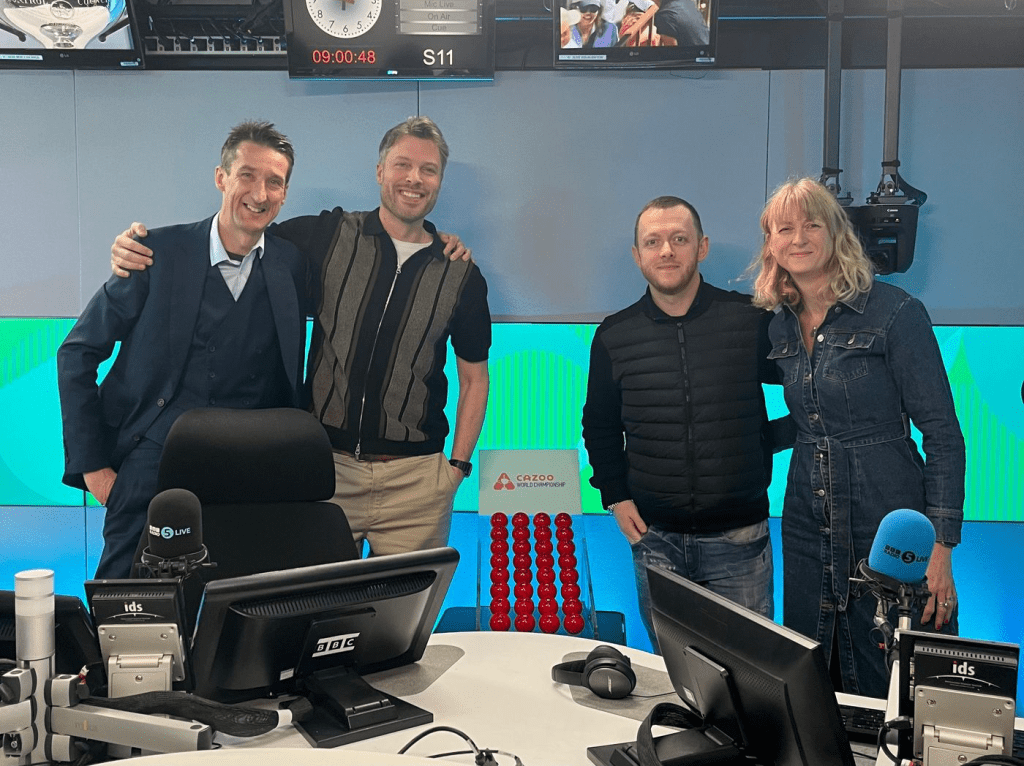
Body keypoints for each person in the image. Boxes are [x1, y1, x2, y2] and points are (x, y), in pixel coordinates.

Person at [110, 116, 491, 558]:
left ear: (439, 180)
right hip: (324, 473)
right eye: (402, 165)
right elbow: (238, 232)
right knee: (317, 602)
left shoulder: (460, 273)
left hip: (418, 485)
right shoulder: (327, 235)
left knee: (407, 605)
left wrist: (455, 469)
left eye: (428, 170)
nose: (414, 179)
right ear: (380, 171)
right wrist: (136, 247)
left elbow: (474, 380)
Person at [58, 120, 311, 579]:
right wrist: (92, 466)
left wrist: (440, 241)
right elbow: (77, 352)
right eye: (247, 175)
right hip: (152, 463)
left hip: (250, 473)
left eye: (274, 182)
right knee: (125, 606)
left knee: (239, 605)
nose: (260, 193)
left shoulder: (290, 263)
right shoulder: (154, 252)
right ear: (221, 177)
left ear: (285, 193)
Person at [750, 177, 965, 698]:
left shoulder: (895, 312)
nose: (798, 238)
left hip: (887, 516)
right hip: (806, 518)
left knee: (898, 670)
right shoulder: (778, 325)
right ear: (771, 244)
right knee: (812, 667)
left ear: (836, 233)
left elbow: (942, 433)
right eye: (785, 229)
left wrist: (941, 545)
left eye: (812, 224)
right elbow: (812, 419)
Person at [582, 196, 787, 651]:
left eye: (679, 239)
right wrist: (615, 497)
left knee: (750, 670)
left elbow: (811, 384)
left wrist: (767, 440)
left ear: (702, 247)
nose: (666, 251)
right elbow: (599, 426)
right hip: (655, 542)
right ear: (637, 255)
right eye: (652, 242)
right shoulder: (614, 335)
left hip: (740, 541)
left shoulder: (751, 320)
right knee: (674, 674)